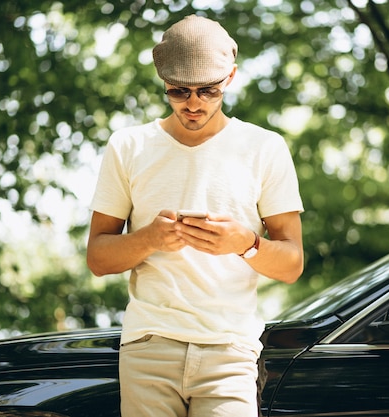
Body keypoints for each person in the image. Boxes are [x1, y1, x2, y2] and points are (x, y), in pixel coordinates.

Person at [86, 14, 304, 417]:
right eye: (178, 91)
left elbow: (292, 264)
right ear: (162, 79)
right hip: (148, 346)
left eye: (208, 91)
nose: (193, 103)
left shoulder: (264, 148)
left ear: (231, 77)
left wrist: (247, 245)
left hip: (230, 352)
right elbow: (98, 258)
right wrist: (149, 238)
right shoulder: (128, 147)